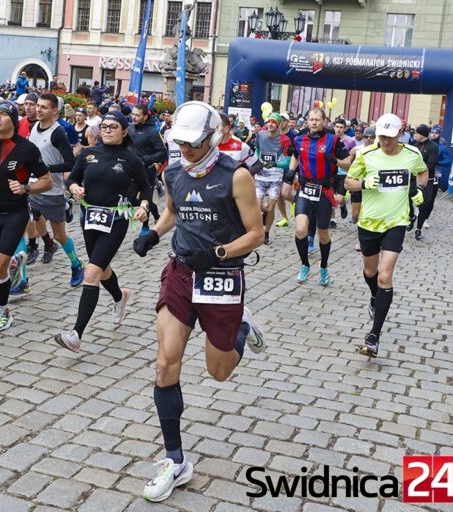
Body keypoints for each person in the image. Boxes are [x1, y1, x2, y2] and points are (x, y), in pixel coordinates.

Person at [132, 101, 264, 503]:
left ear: (214, 137)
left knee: (219, 371)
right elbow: (174, 210)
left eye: (194, 143)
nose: (186, 150)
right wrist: (154, 234)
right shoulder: (173, 172)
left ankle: (241, 327)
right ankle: (175, 461)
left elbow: (256, 234)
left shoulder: (236, 176)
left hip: (222, 277)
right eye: (181, 143)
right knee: (165, 362)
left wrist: (221, 254)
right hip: (182, 272)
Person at [54, 110, 150, 351]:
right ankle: (120, 296)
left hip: (116, 220)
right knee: (102, 268)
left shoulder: (131, 160)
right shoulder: (88, 154)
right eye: (104, 126)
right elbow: (72, 179)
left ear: (124, 131)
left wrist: (144, 206)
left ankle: (76, 334)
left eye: (113, 127)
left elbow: (146, 188)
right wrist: (74, 188)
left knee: (92, 272)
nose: (107, 130)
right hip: (90, 218)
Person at [345, 113, 428, 357]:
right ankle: (374, 297)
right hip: (369, 223)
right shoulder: (366, 155)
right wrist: (364, 184)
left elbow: (423, 172)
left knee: (384, 275)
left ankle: (374, 336)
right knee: (370, 272)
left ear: (400, 134)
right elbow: (348, 182)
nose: (385, 141)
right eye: (382, 136)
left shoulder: (412, 154)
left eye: (390, 137)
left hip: (396, 222)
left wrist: (420, 190)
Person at [0, 100, 51, 332]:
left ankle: (3, 312)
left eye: (3, 114)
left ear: (12, 120)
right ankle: (13, 263)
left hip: (15, 215)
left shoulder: (27, 149)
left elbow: (47, 181)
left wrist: (27, 188)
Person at [26, 93, 84, 285]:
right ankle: (21, 275)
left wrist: (47, 168)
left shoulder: (58, 133)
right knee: (30, 221)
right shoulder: (34, 126)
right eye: (38, 106)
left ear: (54, 111)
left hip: (53, 190)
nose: (38, 110)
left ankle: (76, 263)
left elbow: (70, 163)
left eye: (43, 107)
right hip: (33, 186)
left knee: (59, 234)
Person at [289, 108, 349, 286]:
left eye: (317, 119)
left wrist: (335, 160)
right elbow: (295, 156)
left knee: (323, 233)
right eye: (311, 119)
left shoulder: (333, 140)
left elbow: (348, 163)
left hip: (323, 191)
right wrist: (291, 172)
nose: (313, 122)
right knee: (300, 230)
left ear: (324, 122)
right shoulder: (299, 138)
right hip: (305, 188)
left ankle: (323, 267)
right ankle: (305, 264)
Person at [128, 104, 167, 236]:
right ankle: (155, 211)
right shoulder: (129, 129)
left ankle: (145, 227)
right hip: (131, 170)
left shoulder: (153, 132)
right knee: (130, 199)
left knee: (146, 197)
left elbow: (163, 154)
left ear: (145, 116)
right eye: (132, 114)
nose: (133, 117)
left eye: (137, 115)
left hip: (147, 171)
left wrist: (145, 159)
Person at [254, 113, 291, 244]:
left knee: (271, 208)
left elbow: (288, 161)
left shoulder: (285, 140)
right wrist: (258, 161)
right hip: (261, 176)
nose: (270, 124)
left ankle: (266, 233)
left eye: (273, 122)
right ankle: (264, 214)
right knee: (258, 206)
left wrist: (275, 164)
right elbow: (257, 151)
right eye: (268, 121)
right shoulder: (260, 135)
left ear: (278, 124)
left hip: (275, 177)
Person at [411, 124, 439, 241]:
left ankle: (418, 229)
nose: (415, 135)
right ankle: (411, 216)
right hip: (413, 178)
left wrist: (420, 170)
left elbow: (431, 164)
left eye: (417, 133)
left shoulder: (433, 147)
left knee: (424, 204)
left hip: (428, 179)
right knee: (408, 198)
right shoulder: (414, 146)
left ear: (422, 135)